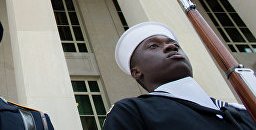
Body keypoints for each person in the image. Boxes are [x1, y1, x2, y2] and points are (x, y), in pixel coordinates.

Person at [104, 21, 256, 130]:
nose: (171, 47)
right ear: (136, 72)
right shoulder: (132, 112)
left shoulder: (243, 111)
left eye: (175, 45)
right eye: (154, 46)